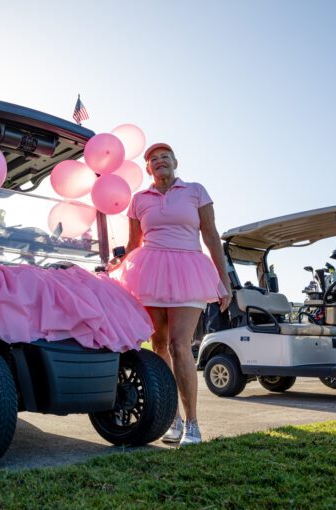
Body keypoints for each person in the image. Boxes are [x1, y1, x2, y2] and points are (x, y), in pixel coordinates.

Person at [110, 143, 232, 446]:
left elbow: (212, 236)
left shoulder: (195, 191)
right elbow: (133, 243)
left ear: (175, 162)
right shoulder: (139, 199)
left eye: (165, 157)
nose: (159, 161)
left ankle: (193, 424)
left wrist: (224, 281)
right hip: (150, 271)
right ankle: (172, 419)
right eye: (153, 159)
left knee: (180, 345)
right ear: (148, 169)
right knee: (158, 345)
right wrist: (120, 266)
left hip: (189, 271)